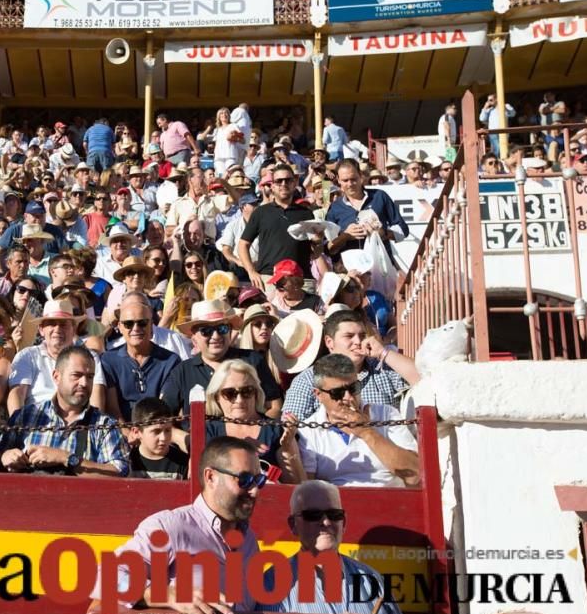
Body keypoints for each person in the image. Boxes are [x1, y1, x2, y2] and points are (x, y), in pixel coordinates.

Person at [94, 436, 263, 614]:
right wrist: (166, 595)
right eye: (245, 480)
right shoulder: (171, 527)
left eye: (259, 480)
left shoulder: (249, 540)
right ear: (211, 477)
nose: (255, 491)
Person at [257, 480, 403, 614]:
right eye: (313, 515)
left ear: (343, 523)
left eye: (334, 514)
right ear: (293, 525)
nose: (326, 522)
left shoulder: (372, 580)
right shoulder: (270, 584)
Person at [0, 345, 128, 476]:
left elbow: (119, 472)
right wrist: (6, 456)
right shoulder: (26, 416)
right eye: (76, 375)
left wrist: (67, 458)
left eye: (90, 377)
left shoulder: (104, 425)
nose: (84, 383)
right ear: (56, 377)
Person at [297, 354, 419, 487]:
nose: (348, 398)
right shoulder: (308, 430)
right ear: (318, 395)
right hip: (337, 504)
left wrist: (366, 432)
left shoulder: (386, 414)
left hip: (388, 500)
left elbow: (414, 475)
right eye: (337, 393)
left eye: (353, 388)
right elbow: (308, 487)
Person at [282, 310, 419, 421]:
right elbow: (292, 426)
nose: (358, 341)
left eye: (362, 335)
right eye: (349, 336)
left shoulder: (382, 368)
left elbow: (422, 379)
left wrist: (383, 352)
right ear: (329, 342)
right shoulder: (308, 379)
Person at [161, 300, 282, 419]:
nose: (216, 336)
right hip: (199, 438)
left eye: (222, 328)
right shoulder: (182, 372)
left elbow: (275, 406)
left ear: (230, 331)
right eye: (206, 331)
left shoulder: (253, 360)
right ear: (194, 338)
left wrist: (256, 432)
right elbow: (164, 419)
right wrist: (185, 438)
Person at [7, 299, 107, 415]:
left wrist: (92, 428)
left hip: (78, 425)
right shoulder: (27, 356)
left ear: (73, 329)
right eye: (52, 324)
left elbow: (97, 396)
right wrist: (18, 427)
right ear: (41, 330)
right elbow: (16, 394)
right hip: (35, 425)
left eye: (63, 324)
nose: (57, 329)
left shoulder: (90, 357)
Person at [239, 163, 319, 295]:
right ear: (272, 185)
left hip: (301, 279)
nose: (283, 184)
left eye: (287, 180)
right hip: (270, 279)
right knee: (272, 316)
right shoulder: (261, 212)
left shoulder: (306, 213)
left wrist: (318, 242)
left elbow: (315, 253)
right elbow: (243, 245)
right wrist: (251, 272)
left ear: (294, 183)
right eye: (279, 181)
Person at [101, 296, 181, 421]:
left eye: (142, 323)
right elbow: (113, 410)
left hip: (158, 431)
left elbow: (165, 407)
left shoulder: (170, 361)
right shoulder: (108, 360)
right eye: (128, 324)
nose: (136, 328)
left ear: (151, 326)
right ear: (120, 327)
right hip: (119, 433)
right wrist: (127, 433)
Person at [326, 158, 408, 263]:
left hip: (380, 265)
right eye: (345, 180)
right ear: (338, 180)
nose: (350, 184)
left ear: (360, 176)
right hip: (350, 269)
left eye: (353, 179)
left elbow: (403, 230)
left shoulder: (379, 196)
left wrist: (383, 233)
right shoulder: (334, 208)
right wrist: (345, 236)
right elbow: (328, 247)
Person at [128, 397, 188, 479]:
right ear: (136, 432)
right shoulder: (129, 461)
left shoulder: (182, 462)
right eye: (156, 431)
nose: (163, 438)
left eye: (167, 430)